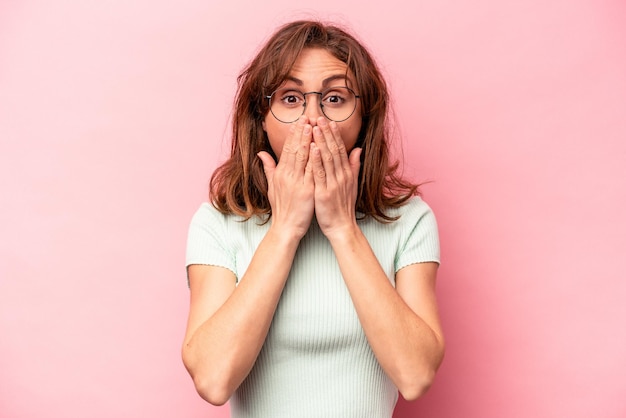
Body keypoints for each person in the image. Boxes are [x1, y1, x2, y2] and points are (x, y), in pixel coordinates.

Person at [182, 20, 445, 418]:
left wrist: (343, 229)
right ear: (261, 119)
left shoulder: (408, 220)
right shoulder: (216, 224)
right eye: (290, 98)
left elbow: (416, 375)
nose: (313, 120)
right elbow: (213, 380)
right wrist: (286, 229)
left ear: (364, 120)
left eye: (335, 98)